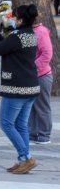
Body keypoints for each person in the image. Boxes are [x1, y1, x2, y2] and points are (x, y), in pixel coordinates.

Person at [0, 4, 41, 174]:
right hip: (30, 86)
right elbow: (8, 47)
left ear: (21, 20)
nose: (11, 19)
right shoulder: (30, 34)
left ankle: (27, 157)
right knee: (21, 126)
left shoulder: (18, 36)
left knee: (6, 124)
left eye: (14, 17)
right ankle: (23, 159)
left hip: (17, 87)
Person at [29, 14, 53, 145]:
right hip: (33, 76)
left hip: (42, 76)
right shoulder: (31, 31)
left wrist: (33, 67)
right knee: (31, 106)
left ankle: (44, 135)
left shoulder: (41, 32)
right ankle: (32, 134)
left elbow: (47, 54)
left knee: (42, 106)